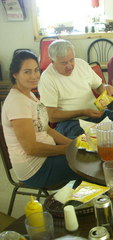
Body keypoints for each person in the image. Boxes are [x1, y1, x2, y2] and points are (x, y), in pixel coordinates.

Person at [1, 50, 84, 188]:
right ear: (15, 74)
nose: (34, 76)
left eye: (36, 70)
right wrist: (68, 149)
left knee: (86, 155)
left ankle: (75, 201)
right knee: (87, 164)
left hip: (45, 158)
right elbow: (31, 149)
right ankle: (74, 204)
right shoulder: (18, 103)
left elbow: (46, 129)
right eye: (27, 72)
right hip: (35, 169)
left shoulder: (29, 95)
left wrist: (74, 144)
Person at [38, 40, 113, 139]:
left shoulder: (81, 64)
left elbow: (98, 87)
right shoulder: (47, 78)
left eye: (71, 60)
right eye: (64, 63)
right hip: (70, 122)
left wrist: (105, 88)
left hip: (96, 114)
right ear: (52, 61)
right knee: (88, 139)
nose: (70, 66)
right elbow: (52, 116)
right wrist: (82, 112)